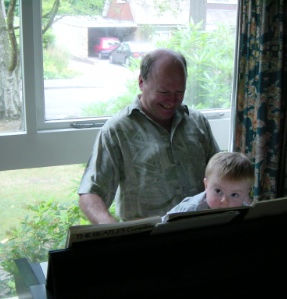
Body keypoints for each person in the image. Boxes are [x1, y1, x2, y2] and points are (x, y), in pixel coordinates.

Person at [78, 48, 220, 224]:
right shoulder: (118, 130)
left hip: (200, 231)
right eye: (164, 92)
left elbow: (222, 175)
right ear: (141, 82)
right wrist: (111, 229)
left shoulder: (197, 122)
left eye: (179, 92)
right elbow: (91, 193)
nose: (172, 100)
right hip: (147, 240)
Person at [164, 151, 254, 215]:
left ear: (246, 194)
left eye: (234, 194)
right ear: (206, 185)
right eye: (218, 191)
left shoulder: (243, 209)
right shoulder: (192, 210)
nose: (224, 201)